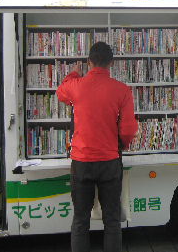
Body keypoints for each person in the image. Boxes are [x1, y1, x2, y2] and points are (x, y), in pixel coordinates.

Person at [56, 41, 138, 252]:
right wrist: (121, 144)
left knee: (80, 220)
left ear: (88, 61)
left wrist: (73, 74)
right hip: (109, 161)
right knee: (111, 220)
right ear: (112, 62)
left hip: (81, 161)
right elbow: (128, 129)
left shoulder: (75, 85)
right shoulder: (122, 90)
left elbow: (60, 93)